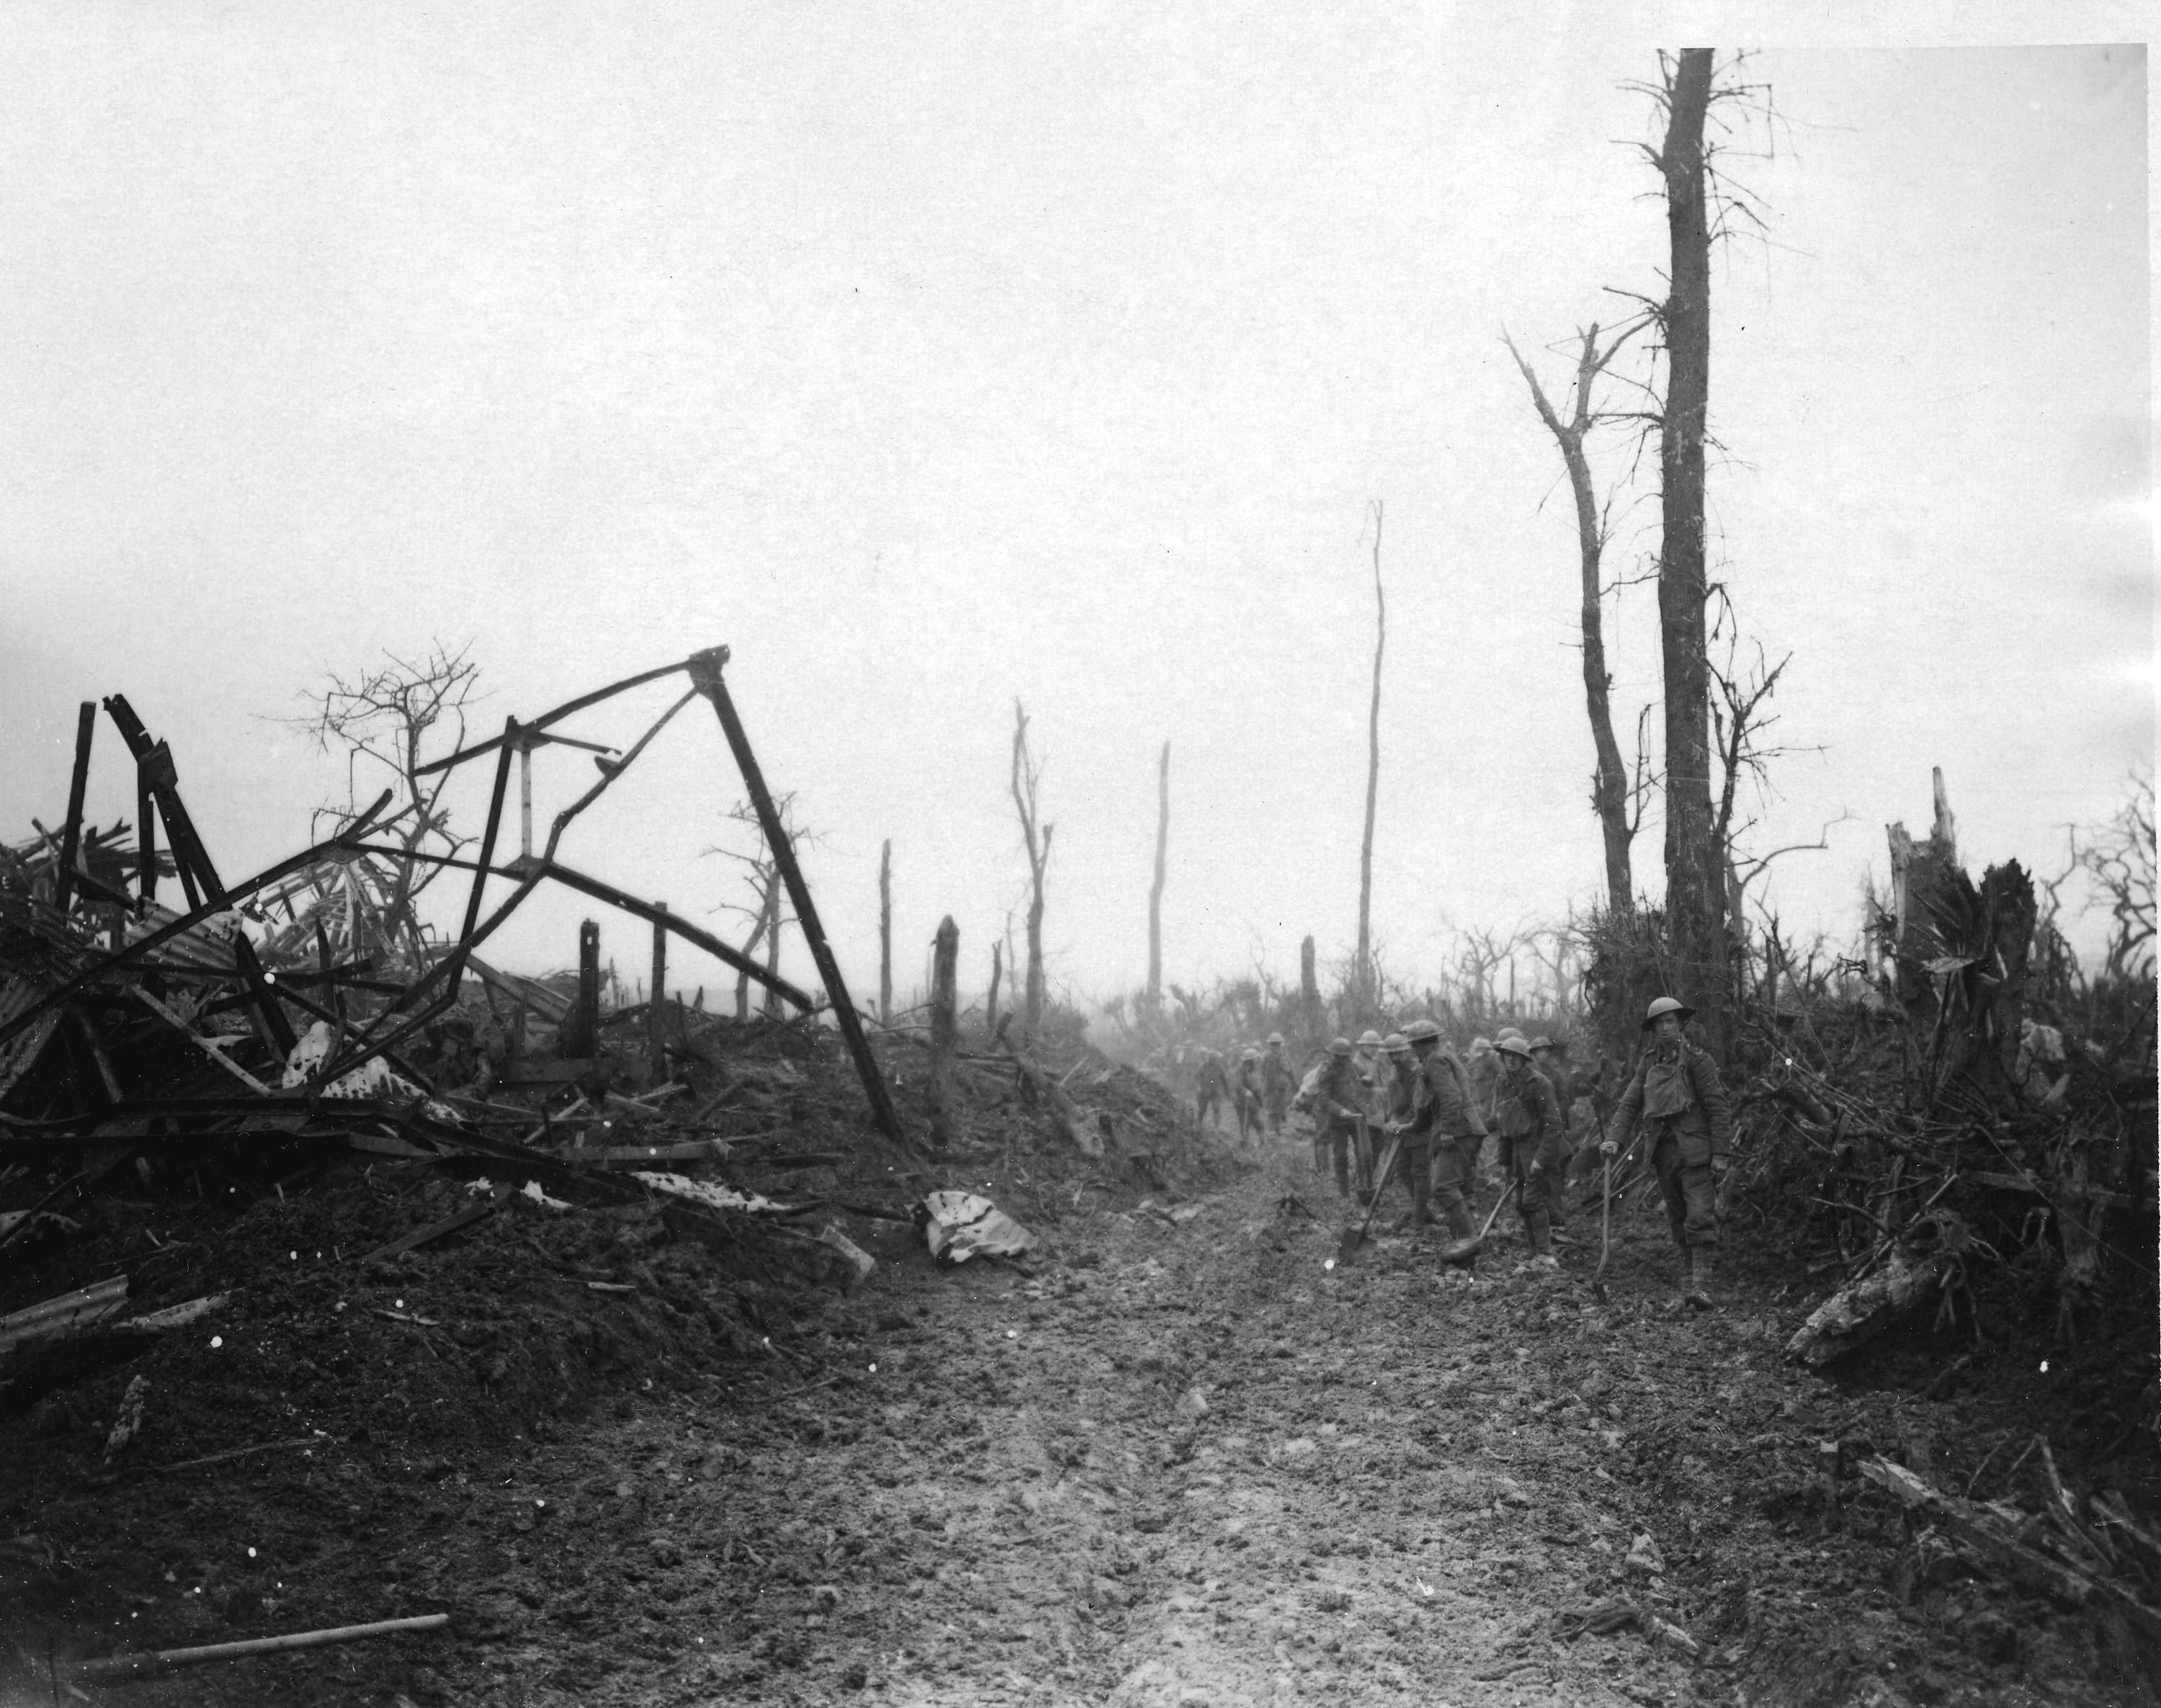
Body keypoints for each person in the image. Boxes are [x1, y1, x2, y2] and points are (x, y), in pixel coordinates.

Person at [1599, 996, 1733, 1307]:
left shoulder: (1698, 1061)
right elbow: (1630, 1104)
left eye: (1670, 1021)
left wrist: (1721, 1154)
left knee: (1700, 1215)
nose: (1665, 1028)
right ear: (1653, 1029)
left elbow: (1717, 1107)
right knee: (1677, 1217)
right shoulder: (1648, 1063)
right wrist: (1614, 1139)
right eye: (1659, 1023)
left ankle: (1702, 1287)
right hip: (1663, 1153)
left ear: (1681, 1024)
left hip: (1696, 1153)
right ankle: (1688, 1284)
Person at [1493, 1036, 1565, 1266]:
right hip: (1517, 1151)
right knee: (1521, 1204)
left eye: (1516, 1056)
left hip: (1539, 1147)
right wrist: (1504, 1160)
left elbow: (1553, 1125)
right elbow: (1504, 1123)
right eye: (1507, 1055)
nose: (1511, 1060)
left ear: (1525, 1059)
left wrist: (1541, 1159)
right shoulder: (1503, 1082)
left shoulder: (1540, 1083)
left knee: (1533, 1200)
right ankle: (1535, 1251)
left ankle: (1545, 1253)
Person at [1528, 1037, 1577, 1240]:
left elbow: (1565, 1099)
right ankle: (1548, 1217)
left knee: (1554, 1176)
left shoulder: (1556, 1075)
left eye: (1544, 1051)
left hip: (1552, 1124)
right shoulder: (1530, 1074)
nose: (1541, 1054)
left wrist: (1554, 1113)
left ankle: (1557, 1220)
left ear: (1548, 1053)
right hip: (1535, 1128)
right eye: (1537, 1051)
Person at [1311, 1037, 1367, 1200]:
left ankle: (1363, 1185)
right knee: (1340, 1156)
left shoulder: (1354, 1067)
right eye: (1340, 1057)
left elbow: (1361, 1086)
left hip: (1357, 1117)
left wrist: (1366, 1085)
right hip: (1337, 1120)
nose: (1343, 1060)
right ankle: (1344, 1194)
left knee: (1364, 1154)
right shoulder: (1326, 1072)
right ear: (1333, 1056)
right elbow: (1324, 1099)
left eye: (1346, 1057)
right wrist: (1340, 1110)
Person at [1261, 1033, 1297, 1135]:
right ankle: (1273, 1132)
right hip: (1277, 1087)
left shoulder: (1271, 1055)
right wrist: (1294, 1083)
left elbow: (1264, 1073)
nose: (1275, 1046)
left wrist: (1294, 1083)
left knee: (1277, 1109)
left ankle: (1275, 1131)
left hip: (1278, 1087)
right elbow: (1290, 1071)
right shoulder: (1275, 1055)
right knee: (1275, 1110)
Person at [1233, 1047, 1266, 1145]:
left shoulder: (1255, 1070)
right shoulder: (1240, 1070)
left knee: (1259, 1124)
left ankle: (1264, 1143)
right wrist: (1246, 1091)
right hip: (1243, 1103)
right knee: (1245, 1125)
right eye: (1255, 1059)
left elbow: (1257, 1087)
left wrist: (1260, 1102)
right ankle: (1245, 1144)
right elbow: (1238, 1085)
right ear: (1250, 1061)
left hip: (1254, 1103)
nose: (1256, 1061)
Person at [1193, 1048, 1230, 1133]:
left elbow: (1224, 1081)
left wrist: (1227, 1092)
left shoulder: (1219, 1068)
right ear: (1210, 1059)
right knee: (1202, 1109)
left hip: (1215, 1092)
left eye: (1215, 1059)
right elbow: (1196, 1077)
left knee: (1216, 1108)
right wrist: (1199, 1086)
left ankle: (1216, 1128)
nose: (1214, 1060)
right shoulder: (1204, 1066)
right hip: (1205, 1091)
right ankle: (1199, 1125)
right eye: (1213, 1059)